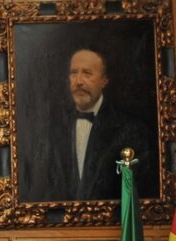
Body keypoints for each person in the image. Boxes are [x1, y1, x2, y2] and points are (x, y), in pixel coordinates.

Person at [18, 47, 155, 202]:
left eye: (87, 73)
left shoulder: (132, 130)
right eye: (74, 73)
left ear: (104, 81)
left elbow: (137, 193)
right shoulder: (49, 130)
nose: (79, 81)